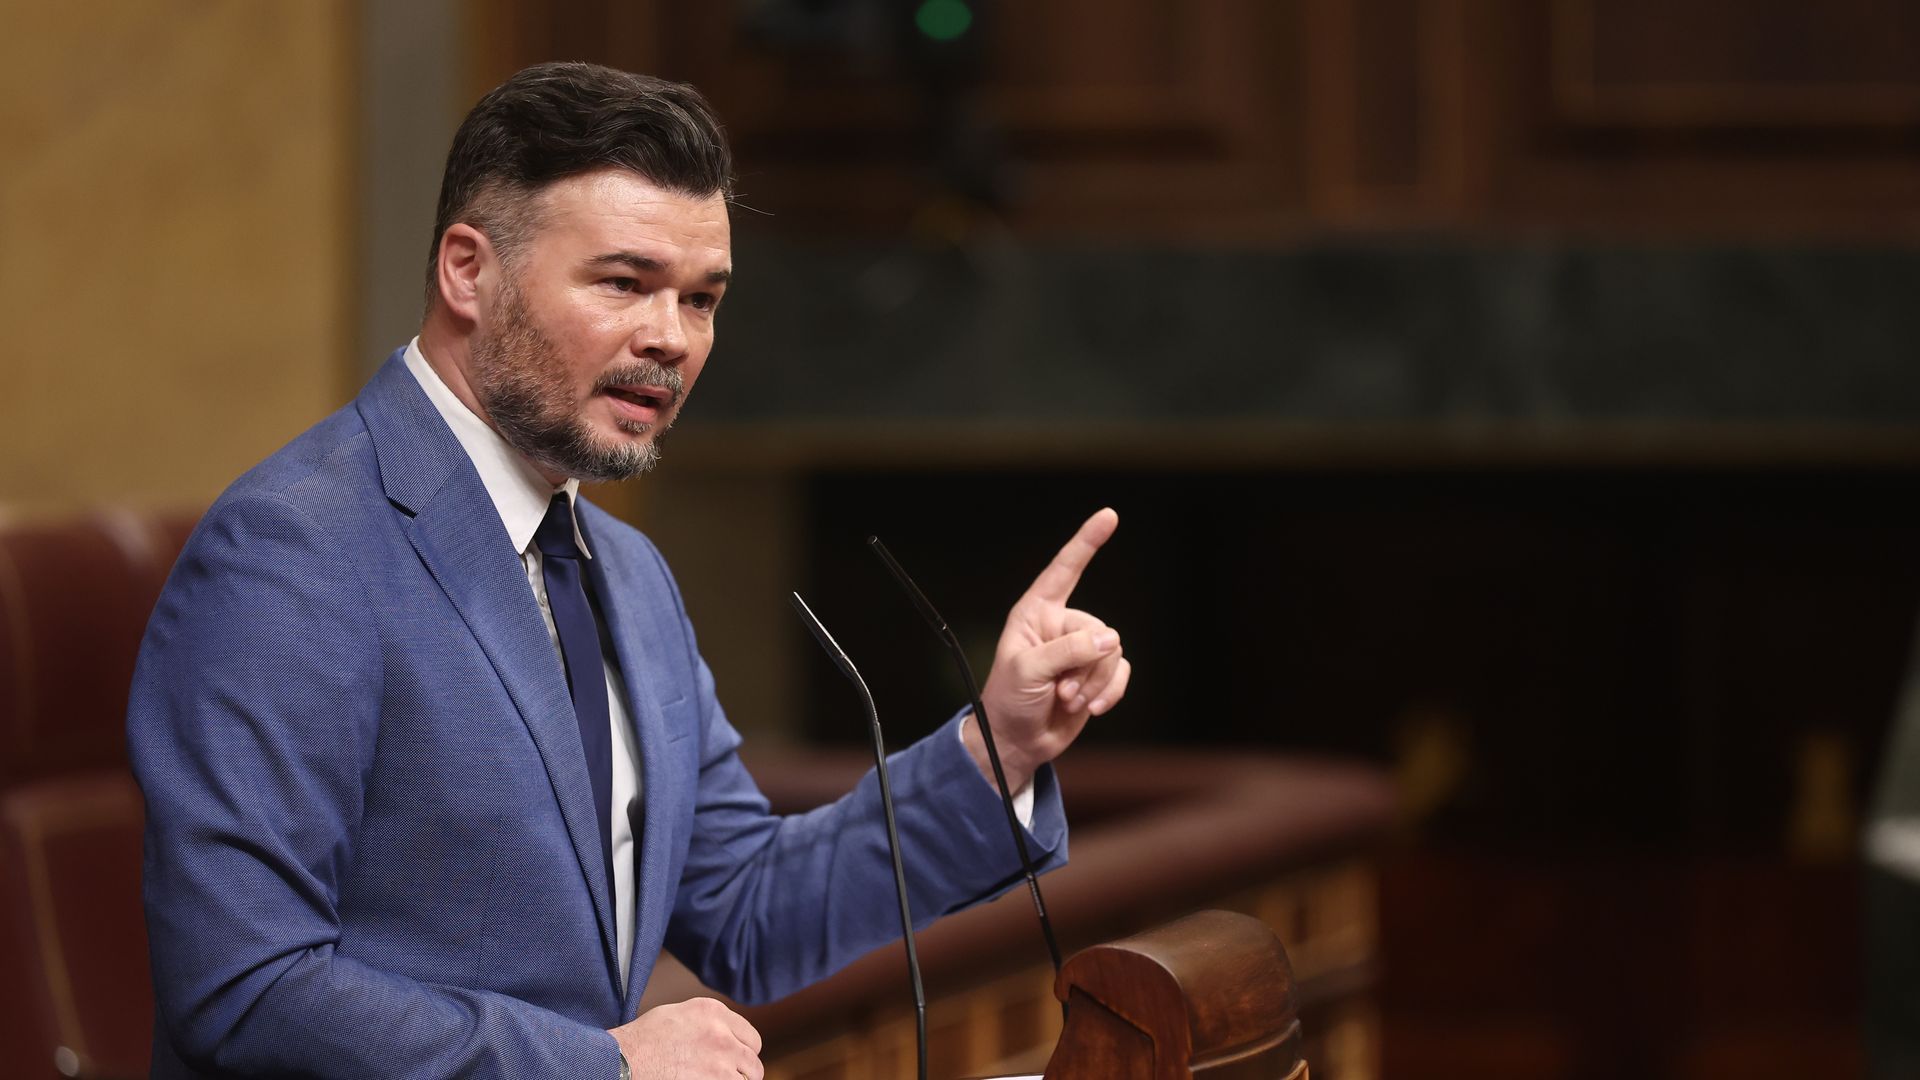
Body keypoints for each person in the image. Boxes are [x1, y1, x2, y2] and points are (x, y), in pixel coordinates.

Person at [127, 62, 1129, 1079]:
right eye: (624, 283)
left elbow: (744, 909)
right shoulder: (294, 549)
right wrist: (603, 1066)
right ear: (468, 271)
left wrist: (996, 744)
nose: (672, 339)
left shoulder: (627, 570)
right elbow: (245, 988)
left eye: (700, 299)